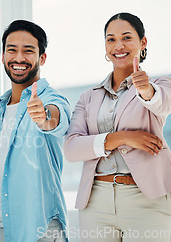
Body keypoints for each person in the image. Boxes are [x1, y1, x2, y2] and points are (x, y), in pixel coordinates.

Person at [64, 12, 171, 241]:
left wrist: (145, 91)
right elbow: (72, 148)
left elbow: (160, 102)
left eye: (126, 37)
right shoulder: (88, 97)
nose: (118, 45)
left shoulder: (160, 84)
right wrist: (123, 137)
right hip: (95, 202)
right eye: (111, 39)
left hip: (146, 199)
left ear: (142, 42)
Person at [0, 20, 71, 242]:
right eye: (12, 50)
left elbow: (56, 119)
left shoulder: (51, 99)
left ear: (42, 58)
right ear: (3, 56)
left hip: (39, 230)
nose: (19, 58)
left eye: (28, 51)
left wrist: (44, 117)